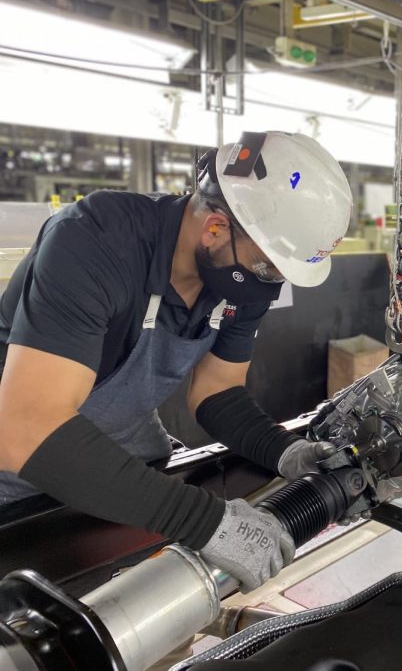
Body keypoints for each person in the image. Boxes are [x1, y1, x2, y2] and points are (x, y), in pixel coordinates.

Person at [0, 131, 352, 593]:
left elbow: (217, 390)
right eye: (268, 267)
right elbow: (27, 428)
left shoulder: (239, 273)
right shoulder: (96, 241)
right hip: (19, 479)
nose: (270, 286)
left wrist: (285, 450)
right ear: (215, 228)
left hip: (130, 463)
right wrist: (207, 522)